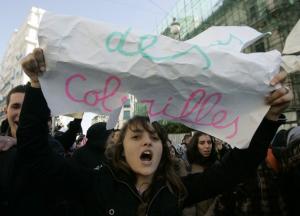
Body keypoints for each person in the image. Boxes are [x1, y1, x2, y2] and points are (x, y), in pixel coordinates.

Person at [14, 48, 292, 216]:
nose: (147, 140)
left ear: (162, 150)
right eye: (136, 136)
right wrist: (37, 86)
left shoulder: (176, 190)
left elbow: (236, 169)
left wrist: (268, 117)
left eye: (154, 137)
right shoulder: (94, 184)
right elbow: (35, 154)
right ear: (120, 148)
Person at [183, 132, 218, 216]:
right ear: (195, 145)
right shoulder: (187, 169)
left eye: (209, 142)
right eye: (202, 143)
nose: (207, 146)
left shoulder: (217, 167)